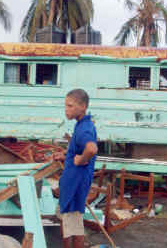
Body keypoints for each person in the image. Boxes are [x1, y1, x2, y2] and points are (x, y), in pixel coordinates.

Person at [53, 89, 98, 248]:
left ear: (83, 107)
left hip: (75, 186)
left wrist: (81, 160)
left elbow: (91, 149)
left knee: (74, 227)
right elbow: (79, 149)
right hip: (70, 183)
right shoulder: (81, 125)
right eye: (66, 105)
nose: (66, 109)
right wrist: (67, 156)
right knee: (67, 224)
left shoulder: (85, 128)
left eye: (70, 106)